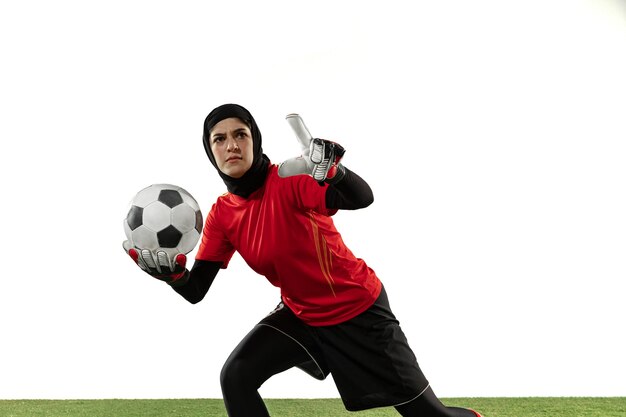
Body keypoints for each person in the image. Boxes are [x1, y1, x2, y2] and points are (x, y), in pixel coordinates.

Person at [124, 103, 484, 417]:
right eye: (219, 139)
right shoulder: (223, 214)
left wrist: (334, 172)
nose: (231, 144)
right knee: (236, 376)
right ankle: (313, 354)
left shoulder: (289, 179)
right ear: (209, 150)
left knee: (430, 416)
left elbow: (363, 198)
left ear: (255, 140)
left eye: (241, 134)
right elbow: (197, 289)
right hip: (302, 315)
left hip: (358, 311)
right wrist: (172, 276)